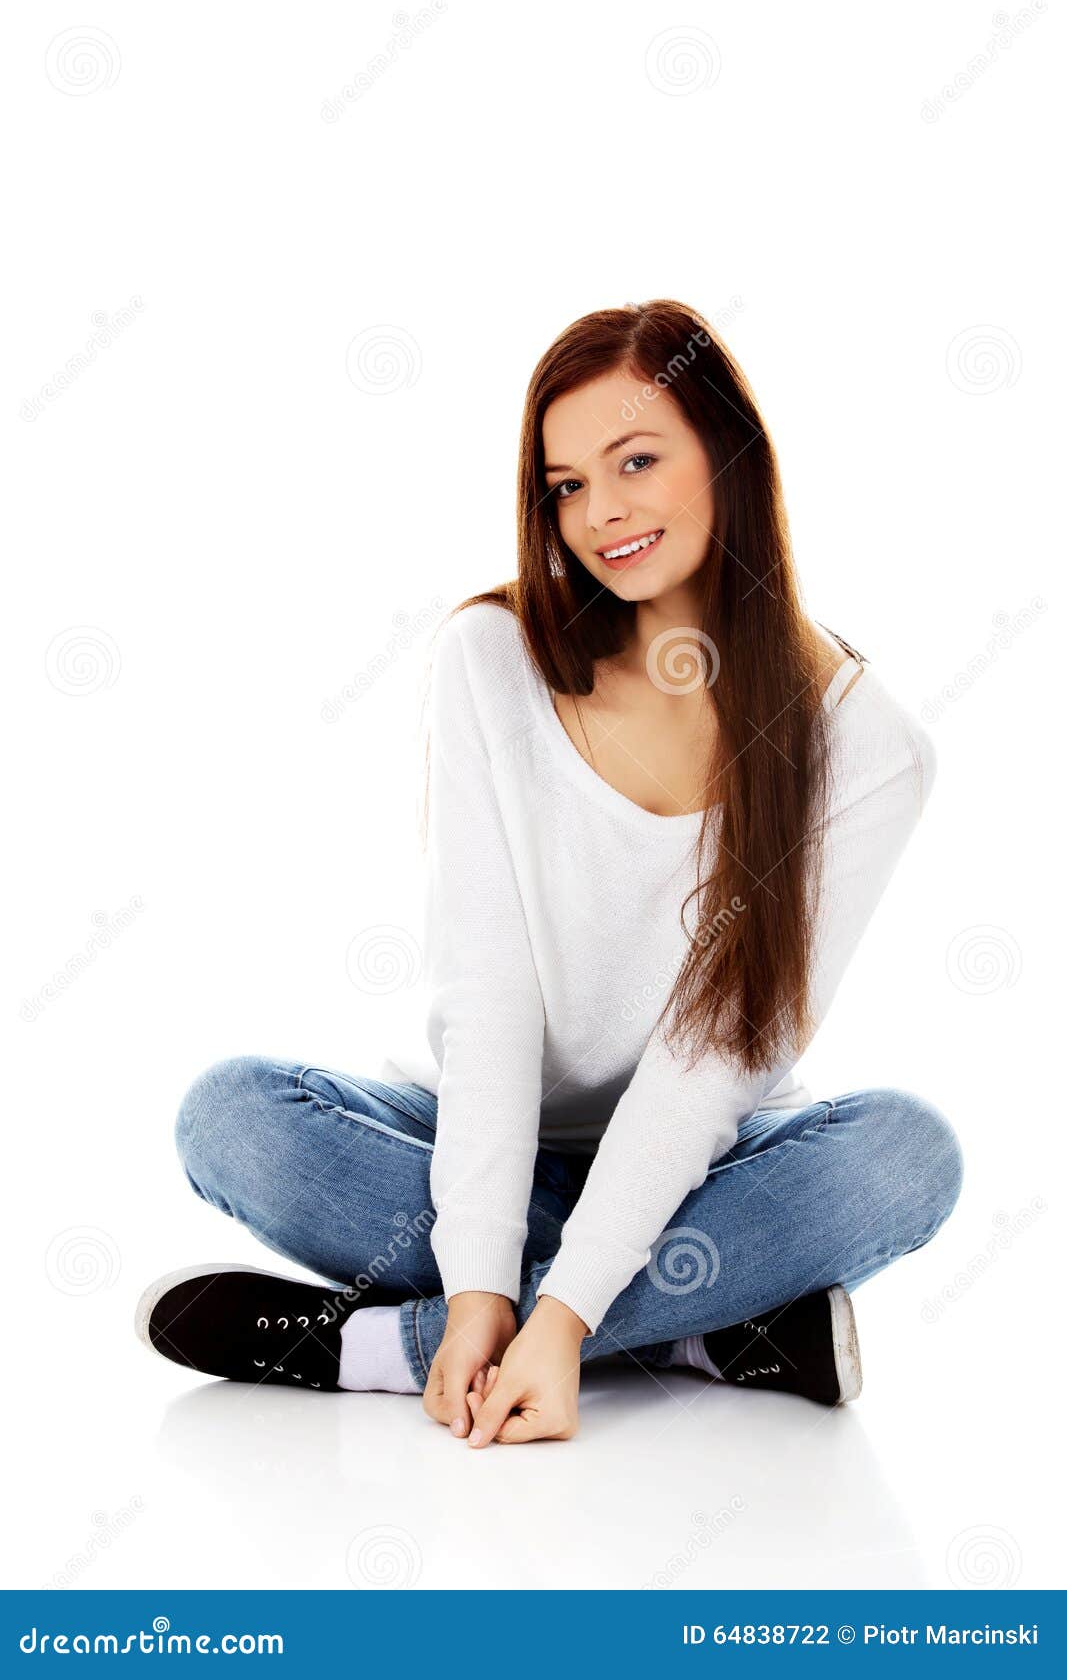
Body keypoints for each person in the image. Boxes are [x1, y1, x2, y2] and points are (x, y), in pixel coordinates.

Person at [135, 298, 964, 1447]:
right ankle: (698, 1333)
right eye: (566, 483)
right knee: (230, 1118)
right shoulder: (492, 660)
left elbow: (710, 1061)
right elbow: (486, 997)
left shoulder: (867, 748)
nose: (599, 512)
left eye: (634, 461)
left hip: (703, 1161)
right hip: (477, 1138)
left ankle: (385, 1344)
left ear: (727, 453)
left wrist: (559, 1315)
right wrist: (481, 1279)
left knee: (904, 1156)